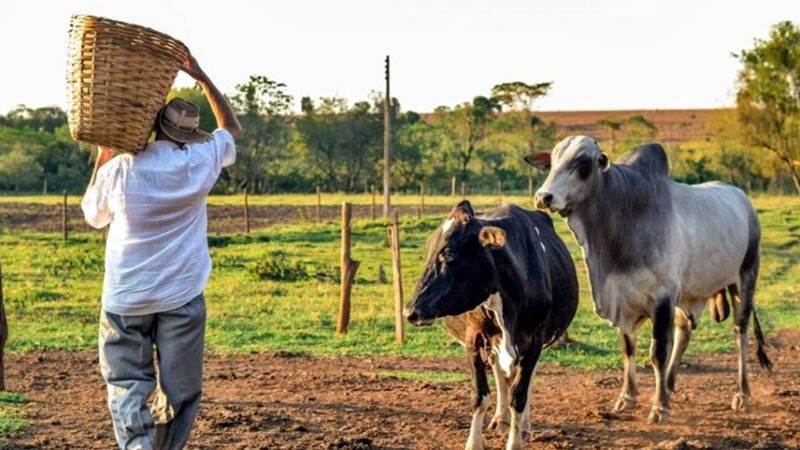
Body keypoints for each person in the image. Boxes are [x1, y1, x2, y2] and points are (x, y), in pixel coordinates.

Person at [81, 52, 241, 450]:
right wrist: (202, 77)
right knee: (181, 389)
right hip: (181, 295)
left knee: (126, 382)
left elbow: (93, 217)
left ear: (156, 126)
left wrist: (104, 154)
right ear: (188, 133)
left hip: (126, 296)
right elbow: (231, 127)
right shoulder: (203, 161)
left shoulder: (121, 168)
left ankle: (137, 447)